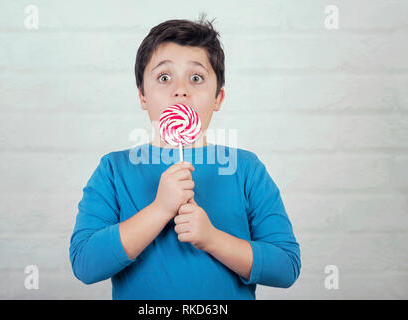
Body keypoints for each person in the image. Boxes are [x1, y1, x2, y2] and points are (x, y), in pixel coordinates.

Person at [69, 15, 301, 300]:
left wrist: (212, 238)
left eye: (196, 78)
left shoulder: (246, 169)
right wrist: (160, 209)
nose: (181, 89)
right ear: (142, 95)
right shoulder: (114, 170)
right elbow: (85, 264)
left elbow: (286, 267)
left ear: (218, 98)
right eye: (164, 77)